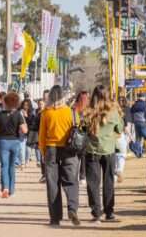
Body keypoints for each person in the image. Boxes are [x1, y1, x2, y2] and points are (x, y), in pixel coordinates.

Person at [38, 85, 80, 227]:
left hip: (51, 149)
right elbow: (77, 128)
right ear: (63, 96)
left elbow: (42, 136)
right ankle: (72, 209)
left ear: (50, 97)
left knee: (52, 184)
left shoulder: (46, 113)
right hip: (69, 149)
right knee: (71, 180)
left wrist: (44, 152)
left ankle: (55, 218)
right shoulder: (70, 112)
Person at [85, 85, 123, 223]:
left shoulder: (88, 112)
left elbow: (82, 130)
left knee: (93, 183)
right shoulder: (113, 112)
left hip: (92, 151)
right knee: (109, 182)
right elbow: (120, 129)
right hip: (109, 150)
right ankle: (109, 212)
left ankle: (96, 213)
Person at [0, 92, 28, 198]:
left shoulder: (0, 115)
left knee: (4, 166)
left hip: (2, 141)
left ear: (6, 103)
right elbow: (24, 130)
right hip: (15, 142)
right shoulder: (18, 114)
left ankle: (5, 188)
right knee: (12, 166)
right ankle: (12, 190)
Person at [72, 91, 89, 185]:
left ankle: (78, 175)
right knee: (82, 155)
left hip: (75, 135)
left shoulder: (74, 108)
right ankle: (82, 176)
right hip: (83, 135)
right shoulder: (87, 109)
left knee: (77, 156)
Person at [20, 99, 35, 168]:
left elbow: (32, 122)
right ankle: (22, 162)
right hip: (22, 132)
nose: (25, 106)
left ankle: (26, 160)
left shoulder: (32, 113)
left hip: (29, 132)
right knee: (22, 147)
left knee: (28, 149)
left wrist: (26, 116)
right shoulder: (20, 112)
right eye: (24, 105)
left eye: (27, 105)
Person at [34, 99, 46, 182]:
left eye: (42, 104)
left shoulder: (47, 112)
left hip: (48, 138)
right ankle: (44, 174)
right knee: (42, 157)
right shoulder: (38, 114)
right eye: (39, 104)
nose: (40, 105)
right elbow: (35, 126)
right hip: (40, 137)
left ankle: (47, 174)